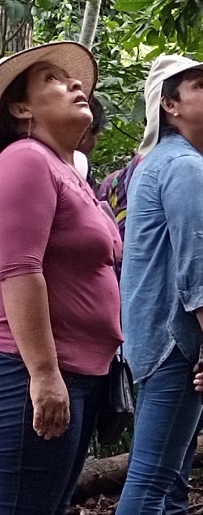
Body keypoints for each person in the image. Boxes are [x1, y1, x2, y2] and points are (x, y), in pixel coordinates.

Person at [0, 41, 122, 515]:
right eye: (52, 79)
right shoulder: (25, 159)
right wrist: (45, 375)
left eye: (72, 78)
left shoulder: (70, 172)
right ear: (20, 106)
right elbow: (17, 268)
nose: (75, 84)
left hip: (82, 373)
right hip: (32, 371)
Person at [116, 56, 203, 515]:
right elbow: (196, 257)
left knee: (165, 482)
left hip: (159, 337)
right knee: (152, 481)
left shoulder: (172, 162)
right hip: (177, 341)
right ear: (170, 104)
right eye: (201, 85)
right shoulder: (184, 166)